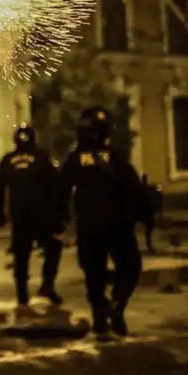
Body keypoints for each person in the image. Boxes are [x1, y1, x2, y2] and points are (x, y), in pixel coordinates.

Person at [55, 108, 148, 337]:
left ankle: (101, 317)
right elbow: (135, 190)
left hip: (90, 225)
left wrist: (60, 222)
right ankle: (117, 304)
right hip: (119, 225)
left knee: (93, 273)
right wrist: (140, 218)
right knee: (130, 268)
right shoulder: (116, 158)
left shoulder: (75, 159)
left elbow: (60, 191)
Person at [0, 124, 63, 312]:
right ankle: (47, 284)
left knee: (21, 256)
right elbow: (55, 186)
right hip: (42, 215)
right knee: (53, 247)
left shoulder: (7, 160)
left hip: (19, 216)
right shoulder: (42, 158)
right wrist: (58, 214)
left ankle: (22, 295)